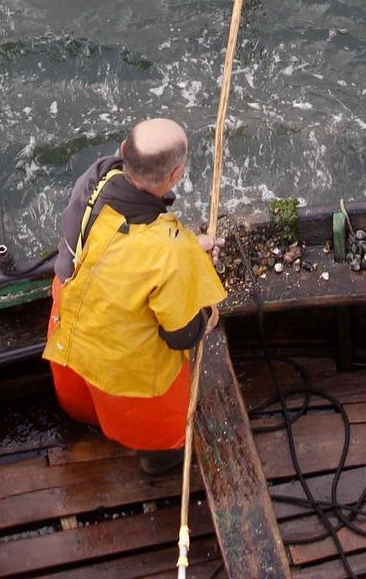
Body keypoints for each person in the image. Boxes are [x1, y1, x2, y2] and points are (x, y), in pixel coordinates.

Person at [43, 117, 226, 470]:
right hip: (122, 368)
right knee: (161, 445)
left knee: (87, 410)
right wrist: (207, 313)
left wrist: (189, 245)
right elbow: (181, 335)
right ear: (175, 176)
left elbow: (123, 240)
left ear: (123, 152)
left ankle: (91, 427)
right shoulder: (171, 253)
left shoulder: (95, 178)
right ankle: (157, 463)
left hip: (69, 339)